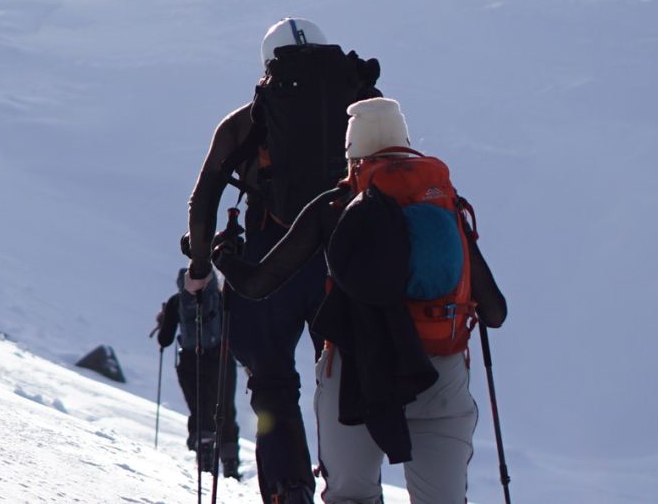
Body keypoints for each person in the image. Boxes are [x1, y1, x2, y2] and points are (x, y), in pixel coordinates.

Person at [215, 97, 508, 504]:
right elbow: (495, 312)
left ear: (351, 152)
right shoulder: (444, 204)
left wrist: (225, 256)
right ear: (404, 141)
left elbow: (260, 284)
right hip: (440, 370)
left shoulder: (335, 205)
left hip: (355, 373)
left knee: (350, 497)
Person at [184, 17, 381, 504]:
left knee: (271, 380)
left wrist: (201, 267)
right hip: (341, 265)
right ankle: (348, 487)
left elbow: (205, 195)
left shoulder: (246, 121)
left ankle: (289, 488)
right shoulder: (359, 109)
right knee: (337, 374)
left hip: (268, 266)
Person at [155, 268, 241, 480]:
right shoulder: (221, 297)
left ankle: (205, 460)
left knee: (200, 408)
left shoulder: (177, 301)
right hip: (221, 359)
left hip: (191, 361)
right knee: (226, 409)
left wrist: (164, 320)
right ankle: (229, 464)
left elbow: (164, 340)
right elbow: (235, 329)